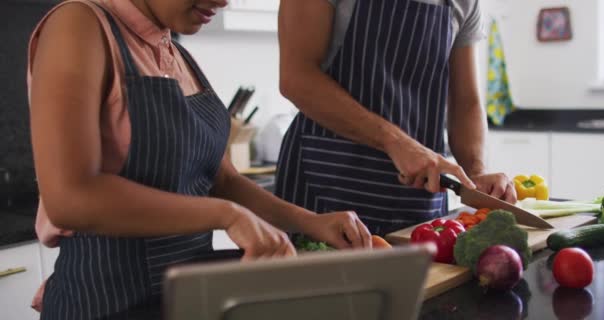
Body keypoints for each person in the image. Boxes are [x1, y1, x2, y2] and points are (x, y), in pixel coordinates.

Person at [27, 0, 372, 318]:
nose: (223, 2)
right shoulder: (79, 25)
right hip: (104, 304)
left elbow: (223, 180)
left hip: (188, 299)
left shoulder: (176, 53)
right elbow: (69, 199)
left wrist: (309, 221)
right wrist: (227, 216)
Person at [275, 0, 517, 236]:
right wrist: (396, 142)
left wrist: (476, 173)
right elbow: (296, 78)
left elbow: (466, 102)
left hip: (418, 201)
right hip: (325, 187)